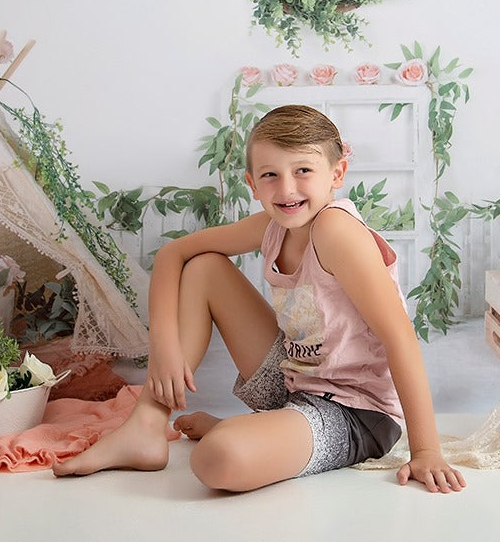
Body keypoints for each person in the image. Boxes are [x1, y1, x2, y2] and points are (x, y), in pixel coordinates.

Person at [54, 105, 465, 493]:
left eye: (303, 170)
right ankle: (145, 426)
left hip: (355, 412)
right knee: (204, 268)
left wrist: (426, 451)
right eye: (270, 175)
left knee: (218, 458)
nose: (286, 189)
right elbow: (172, 254)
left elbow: (399, 336)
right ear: (252, 184)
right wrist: (163, 347)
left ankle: (247, 435)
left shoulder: (336, 231)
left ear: (337, 173)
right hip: (294, 383)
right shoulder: (273, 225)